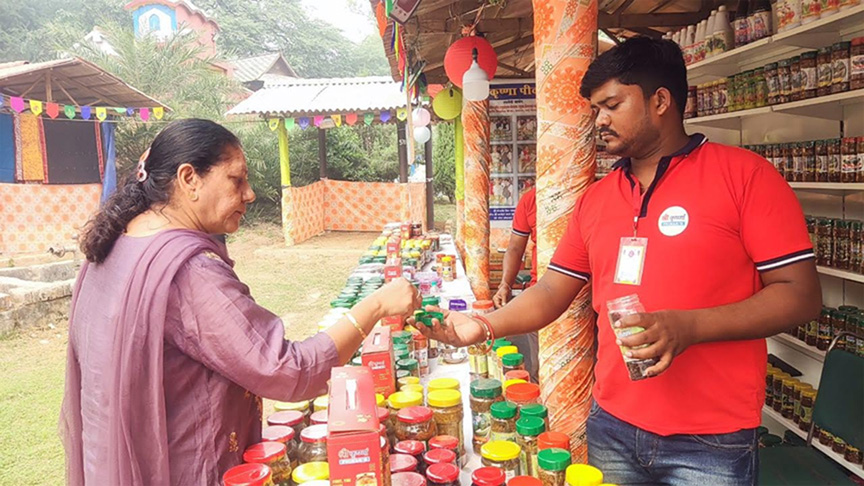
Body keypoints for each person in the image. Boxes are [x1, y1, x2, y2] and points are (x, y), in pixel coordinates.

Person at [416, 37, 821, 485]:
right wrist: (485, 325)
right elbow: (552, 289)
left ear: (661, 100)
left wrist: (689, 327)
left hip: (711, 439)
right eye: (594, 110)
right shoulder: (597, 199)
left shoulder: (745, 177)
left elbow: (800, 297)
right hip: (611, 425)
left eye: (611, 105)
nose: (600, 121)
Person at [60, 119, 421, 486]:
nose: (249, 194)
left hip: (116, 463)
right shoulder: (187, 272)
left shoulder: (114, 246)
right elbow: (289, 370)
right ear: (190, 179)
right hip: (183, 469)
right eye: (236, 179)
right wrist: (374, 306)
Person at [493, 186, 539, 382]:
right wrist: (505, 284)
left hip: (586, 295)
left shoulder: (587, 194)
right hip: (542, 295)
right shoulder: (530, 200)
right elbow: (514, 248)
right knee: (540, 363)